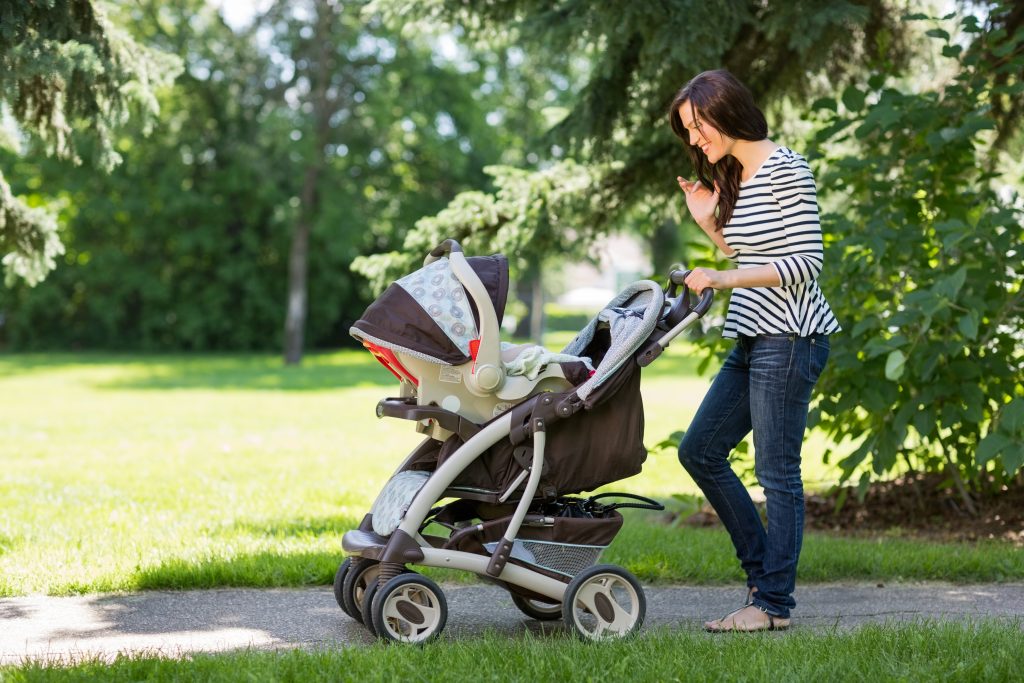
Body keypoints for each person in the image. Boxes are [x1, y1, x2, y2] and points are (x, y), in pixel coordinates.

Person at [668, 69, 840, 632]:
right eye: (689, 132)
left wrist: (719, 278)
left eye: (697, 127)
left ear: (725, 111)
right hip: (753, 336)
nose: (695, 141)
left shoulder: (787, 169)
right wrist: (709, 224)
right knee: (699, 451)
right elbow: (750, 254)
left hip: (791, 338)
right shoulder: (737, 176)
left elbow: (804, 264)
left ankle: (771, 605)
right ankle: (762, 579)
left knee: (777, 473)